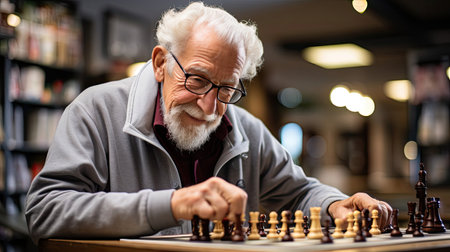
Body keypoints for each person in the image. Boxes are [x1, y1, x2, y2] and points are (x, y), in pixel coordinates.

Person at [25, 2, 392, 244]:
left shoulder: (247, 129)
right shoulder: (95, 111)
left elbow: (298, 192)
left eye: (227, 88)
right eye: (197, 80)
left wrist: (333, 205)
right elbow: (45, 211)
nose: (209, 106)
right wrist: (171, 205)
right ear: (159, 63)